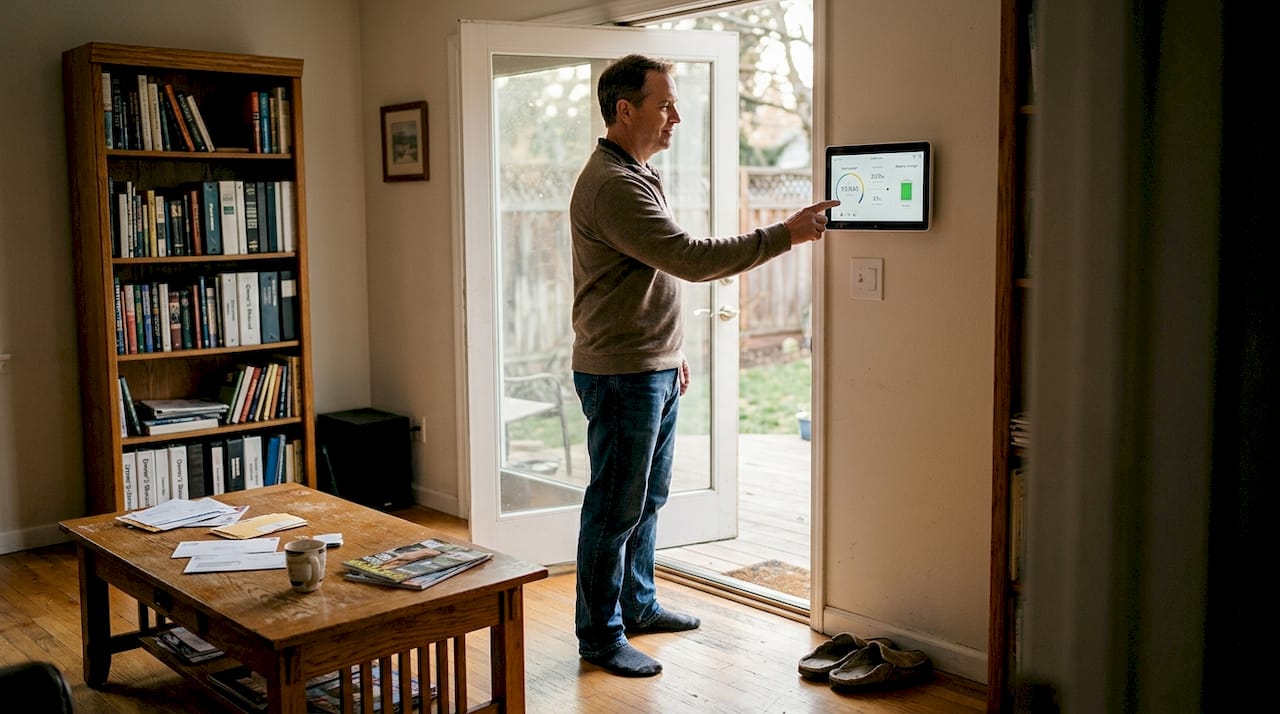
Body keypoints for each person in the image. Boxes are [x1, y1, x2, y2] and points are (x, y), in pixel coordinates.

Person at [569, 53, 838, 678]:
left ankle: (636, 604)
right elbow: (686, 259)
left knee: (647, 497)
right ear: (625, 109)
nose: (677, 117)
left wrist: (671, 351)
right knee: (613, 508)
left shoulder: (635, 173)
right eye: (665, 104)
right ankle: (601, 636)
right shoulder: (614, 184)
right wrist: (784, 235)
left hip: (650, 365)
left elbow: (642, 276)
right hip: (621, 373)